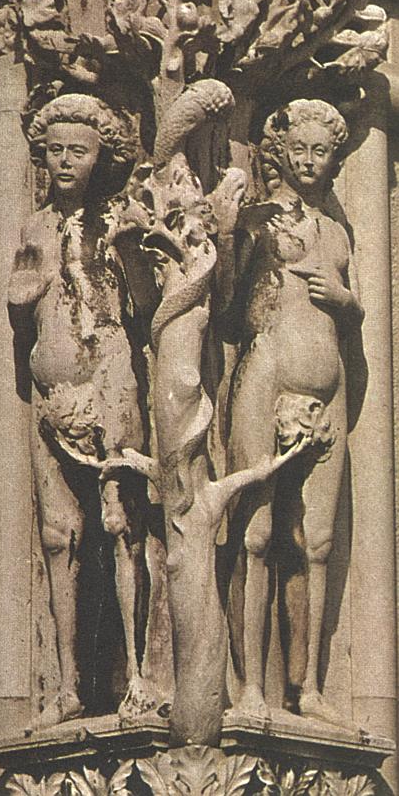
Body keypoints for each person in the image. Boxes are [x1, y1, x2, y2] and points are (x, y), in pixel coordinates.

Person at [9, 93, 162, 725]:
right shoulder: (35, 226)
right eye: (55, 151)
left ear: (101, 157)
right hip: (52, 399)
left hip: (111, 382)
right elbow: (26, 322)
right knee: (58, 534)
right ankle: (69, 685)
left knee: (121, 525)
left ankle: (138, 673)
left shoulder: (118, 215)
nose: (66, 161)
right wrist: (21, 303)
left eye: (79, 150)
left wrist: (132, 255)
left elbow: (147, 308)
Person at [223, 99, 363, 725]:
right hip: (266, 378)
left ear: (334, 159)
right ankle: (251, 685)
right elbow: (229, 303)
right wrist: (229, 233)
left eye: (321, 152)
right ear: (280, 153)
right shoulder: (262, 219)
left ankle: (307, 688)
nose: (309, 162)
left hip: (326, 392)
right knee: (256, 536)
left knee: (318, 541)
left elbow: (352, 316)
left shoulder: (336, 231)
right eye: (299, 150)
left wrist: (346, 300)